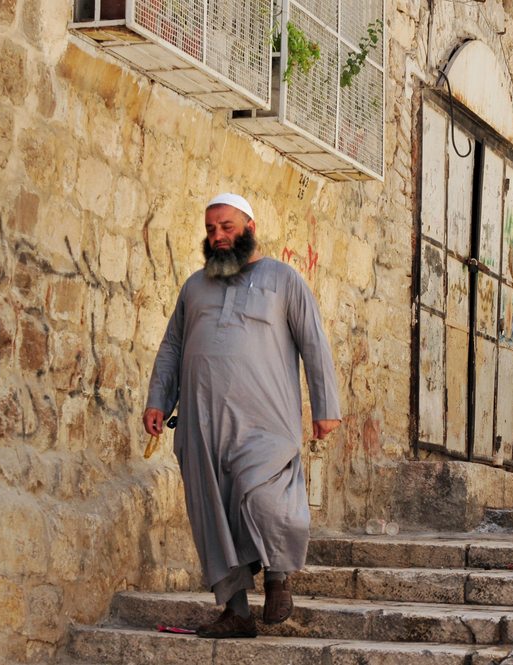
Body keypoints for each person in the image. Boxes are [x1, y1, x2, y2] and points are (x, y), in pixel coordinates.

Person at [143, 193, 342, 639]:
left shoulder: (284, 279)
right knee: (213, 517)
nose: (217, 237)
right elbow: (173, 346)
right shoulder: (194, 286)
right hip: (201, 425)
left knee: (267, 498)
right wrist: (159, 399)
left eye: (226, 228)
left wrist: (326, 407)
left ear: (249, 228)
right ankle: (236, 612)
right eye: (211, 229)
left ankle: (277, 579)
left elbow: (313, 341)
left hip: (266, 422)